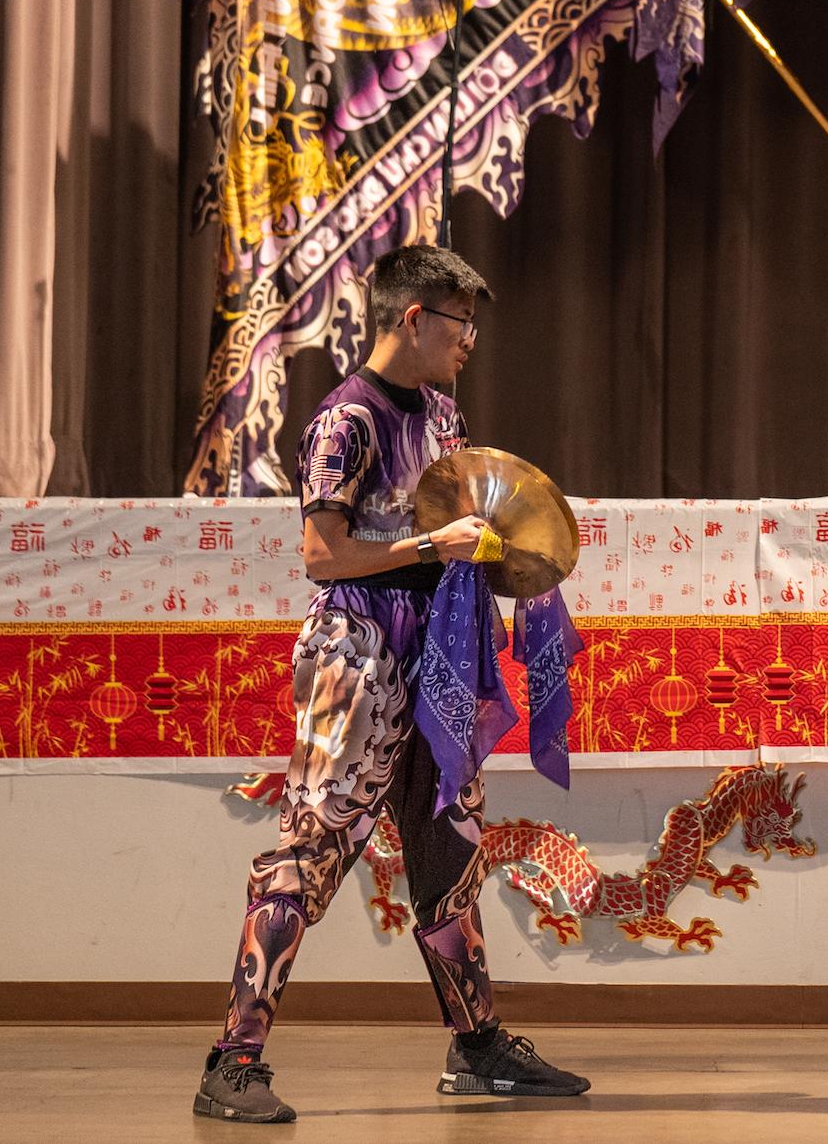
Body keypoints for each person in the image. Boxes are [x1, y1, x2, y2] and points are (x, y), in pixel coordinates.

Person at [194, 245, 589, 1124]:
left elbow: (458, 518)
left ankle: (477, 1045)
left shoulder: (444, 413)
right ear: (412, 319)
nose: (470, 340)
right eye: (458, 324)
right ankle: (233, 1059)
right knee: (314, 842)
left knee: (449, 844)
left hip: (438, 651)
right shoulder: (347, 419)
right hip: (359, 650)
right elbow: (321, 554)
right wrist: (428, 548)